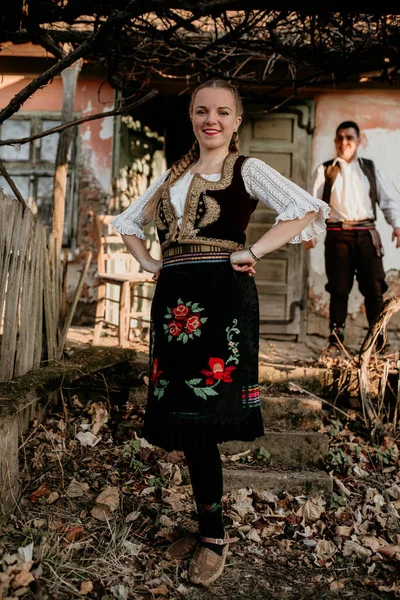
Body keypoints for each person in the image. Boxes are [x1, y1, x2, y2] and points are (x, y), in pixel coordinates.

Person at [111, 79, 329, 586]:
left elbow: (306, 210)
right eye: (202, 111)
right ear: (191, 117)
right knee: (183, 419)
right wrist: (148, 260)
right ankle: (207, 524)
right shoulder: (174, 174)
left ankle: (214, 536)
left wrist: (253, 252)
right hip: (174, 305)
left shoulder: (246, 169)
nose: (212, 119)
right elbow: (129, 221)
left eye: (222, 112)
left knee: (203, 421)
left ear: (236, 120)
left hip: (221, 302)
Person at [306, 121, 400, 351]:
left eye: (349, 137)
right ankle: (336, 342)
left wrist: (397, 225)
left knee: (374, 289)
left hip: (367, 235)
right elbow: (311, 204)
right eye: (339, 138)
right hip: (338, 236)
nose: (344, 142)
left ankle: (378, 342)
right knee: (339, 290)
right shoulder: (326, 170)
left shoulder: (369, 168)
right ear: (335, 141)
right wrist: (308, 231)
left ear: (359, 141)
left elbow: (388, 200)